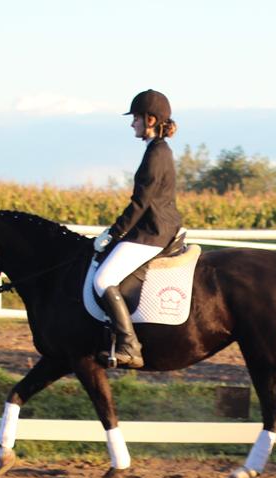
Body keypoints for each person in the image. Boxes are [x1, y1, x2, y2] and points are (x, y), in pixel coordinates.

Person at [92, 88, 183, 369]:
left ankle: (130, 346)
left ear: (151, 120)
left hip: (152, 232)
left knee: (103, 280)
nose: (132, 123)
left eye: (136, 119)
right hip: (151, 229)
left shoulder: (157, 154)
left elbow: (141, 202)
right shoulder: (156, 150)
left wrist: (114, 233)